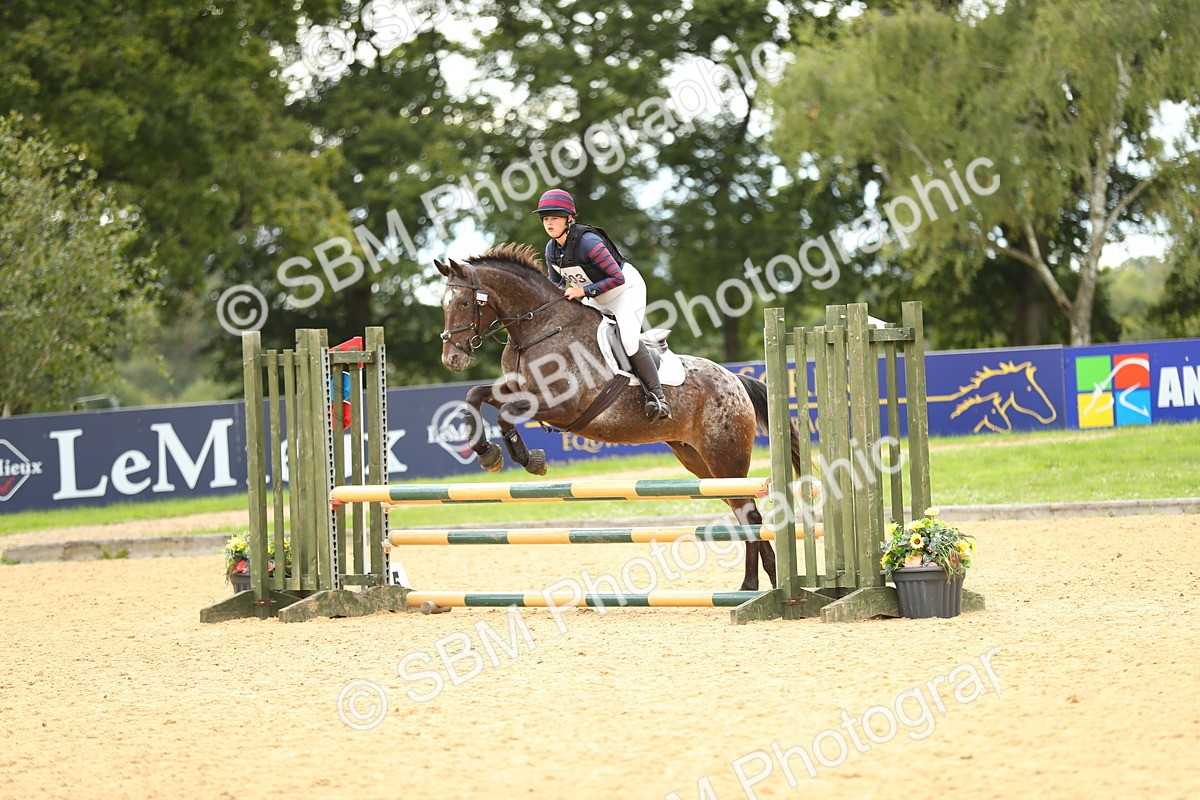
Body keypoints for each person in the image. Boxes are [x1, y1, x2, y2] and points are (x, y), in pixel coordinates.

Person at [534, 188, 670, 422]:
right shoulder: (551, 249)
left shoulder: (587, 241)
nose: (549, 223)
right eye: (546, 218)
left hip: (626, 292)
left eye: (554, 218)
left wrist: (582, 291)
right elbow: (555, 285)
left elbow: (618, 277)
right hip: (597, 297)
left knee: (627, 339)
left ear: (569, 219)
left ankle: (658, 397)